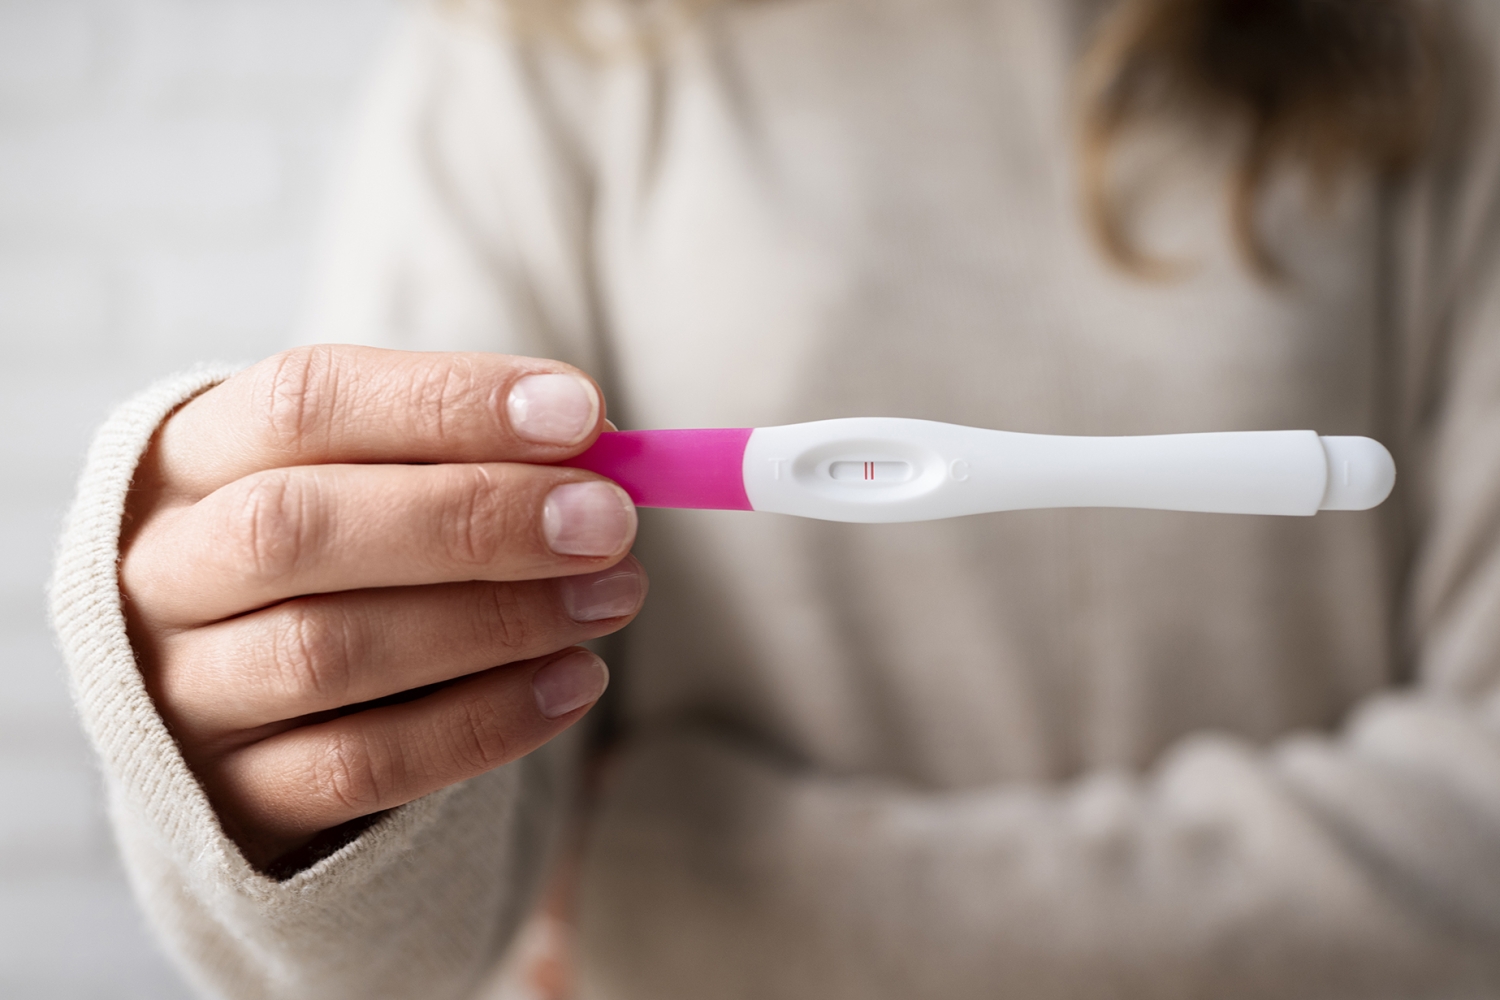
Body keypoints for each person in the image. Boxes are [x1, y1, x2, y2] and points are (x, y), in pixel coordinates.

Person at [48, 0, 1500, 997]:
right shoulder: (544, 59)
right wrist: (278, 749)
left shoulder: (1438, 62)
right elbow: (413, 940)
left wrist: (654, 898)